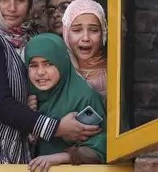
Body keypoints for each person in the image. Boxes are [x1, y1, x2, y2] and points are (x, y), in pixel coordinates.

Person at [0, 0, 101, 164]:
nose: (12, 8)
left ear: (31, 3)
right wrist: (56, 128)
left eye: (20, 0)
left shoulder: (26, 37)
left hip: (17, 154)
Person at [26, 33, 106, 172]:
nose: (40, 72)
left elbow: (103, 145)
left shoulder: (84, 97)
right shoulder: (29, 97)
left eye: (48, 64)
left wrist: (59, 158)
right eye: (33, 65)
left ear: (62, 62)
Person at [62, 0, 108, 98]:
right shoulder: (58, 69)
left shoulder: (114, 70)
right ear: (66, 33)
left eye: (94, 30)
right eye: (77, 30)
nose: (85, 38)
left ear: (103, 33)